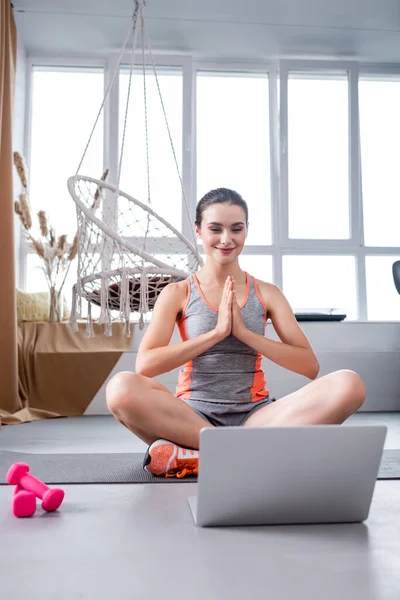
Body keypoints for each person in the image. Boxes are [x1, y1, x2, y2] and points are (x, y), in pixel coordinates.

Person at [106, 188, 366, 478]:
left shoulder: (267, 293)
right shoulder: (178, 293)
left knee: (349, 384)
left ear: (246, 231)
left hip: (257, 417)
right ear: (199, 231)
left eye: (236, 229)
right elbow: (146, 366)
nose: (226, 239)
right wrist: (215, 334)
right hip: (192, 418)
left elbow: (309, 366)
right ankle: (249, 452)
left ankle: (199, 455)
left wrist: (244, 333)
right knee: (120, 389)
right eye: (215, 229)